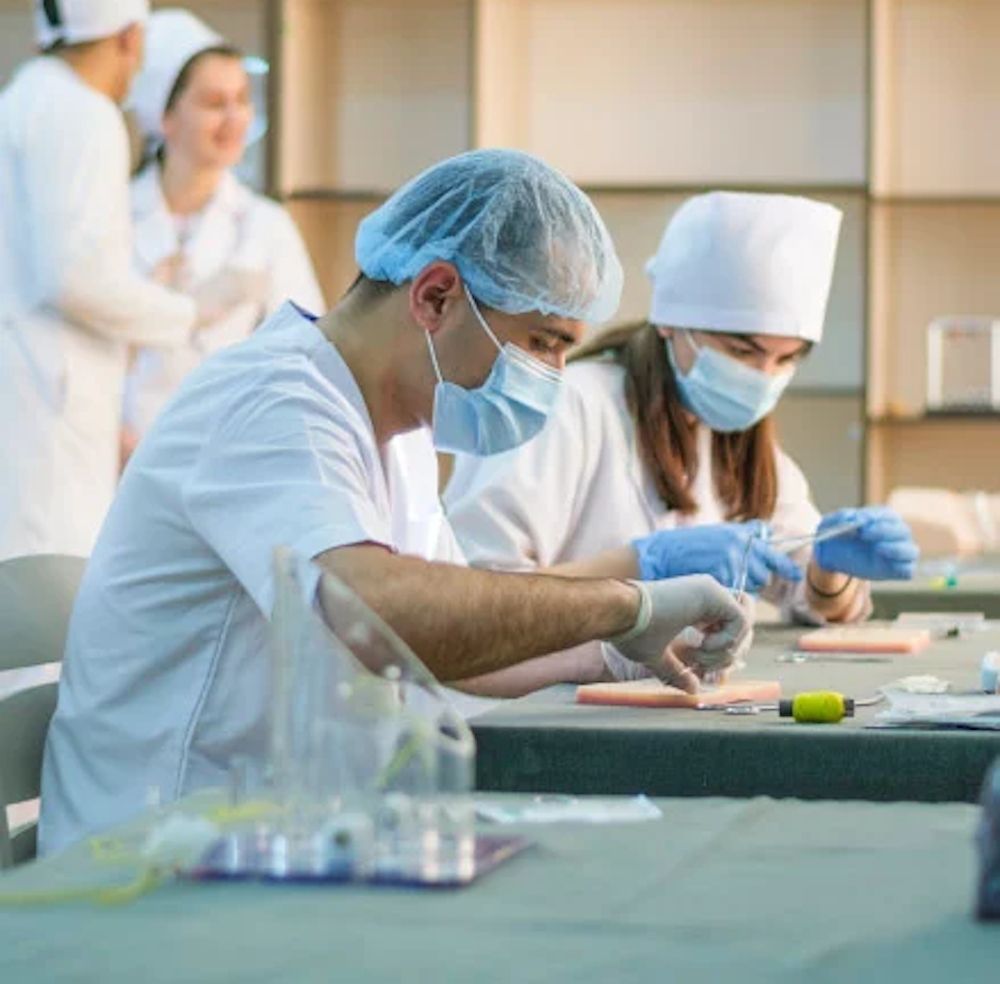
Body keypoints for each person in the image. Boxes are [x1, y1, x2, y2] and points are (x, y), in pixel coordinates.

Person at [39, 150, 753, 853]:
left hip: (276, 838)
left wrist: (616, 654)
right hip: (153, 865)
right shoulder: (272, 400)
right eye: (542, 343)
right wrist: (626, 604)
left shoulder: (400, 427)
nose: (555, 378)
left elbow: (448, 652)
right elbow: (380, 618)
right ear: (435, 296)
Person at [445, 191, 919, 680]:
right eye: (741, 351)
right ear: (671, 324)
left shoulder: (736, 435)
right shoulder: (570, 407)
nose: (762, 377)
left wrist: (826, 566)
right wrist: (642, 566)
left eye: (786, 359)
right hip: (531, 715)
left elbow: (811, 597)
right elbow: (473, 603)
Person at [0, 0, 232, 562]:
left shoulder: (22, 99)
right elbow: (72, 276)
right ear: (130, 37)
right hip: (54, 401)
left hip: (36, 392)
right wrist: (186, 311)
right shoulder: (86, 112)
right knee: (48, 591)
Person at [121, 9, 325, 460]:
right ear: (165, 117)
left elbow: (308, 359)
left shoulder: (266, 226)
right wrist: (115, 440)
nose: (235, 118)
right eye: (214, 103)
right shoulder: (114, 216)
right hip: (117, 459)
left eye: (242, 99)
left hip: (227, 463)